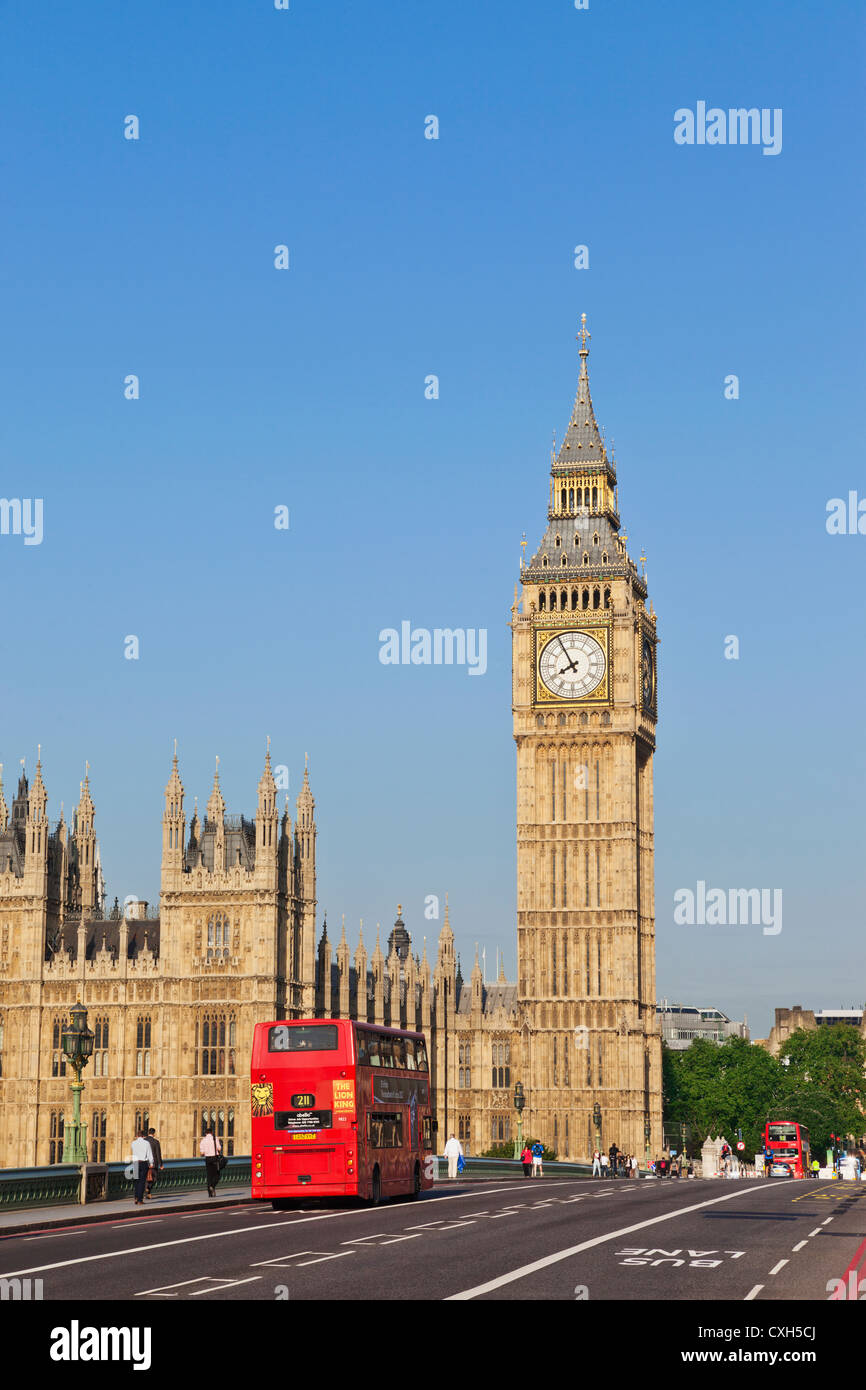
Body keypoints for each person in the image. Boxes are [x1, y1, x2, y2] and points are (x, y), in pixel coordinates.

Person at [130, 1128, 154, 1205]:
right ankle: (140, 1200)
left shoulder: (133, 1143)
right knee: (142, 1182)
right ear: (143, 1136)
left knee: (136, 1181)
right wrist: (151, 1163)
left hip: (135, 1162)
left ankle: (136, 1197)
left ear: (137, 1135)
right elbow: (149, 1154)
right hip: (143, 1163)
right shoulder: (146, 1143)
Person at [199, 1125, 223, 1197]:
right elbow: (219, 1149)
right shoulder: (215, 1138)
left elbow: (202, 1153)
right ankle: (212, 1186)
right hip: (215, 1158)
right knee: (217, 1175)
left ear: (206, 1133)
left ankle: (210, 1194)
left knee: (209, 1176)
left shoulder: (203, 1140)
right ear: (212, 1133)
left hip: (207, 1159)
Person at [145, 1127, 163, 1198]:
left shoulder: (144, 1141)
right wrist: (161, 1164)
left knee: (146, 1178)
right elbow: (158, 1154)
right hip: (154, 1163)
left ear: (148, 1133)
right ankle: (148, 1189)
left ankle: (147, 1192)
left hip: (145, 1162)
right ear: (154, 1134)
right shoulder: (156, 1142)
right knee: (154, 1178)